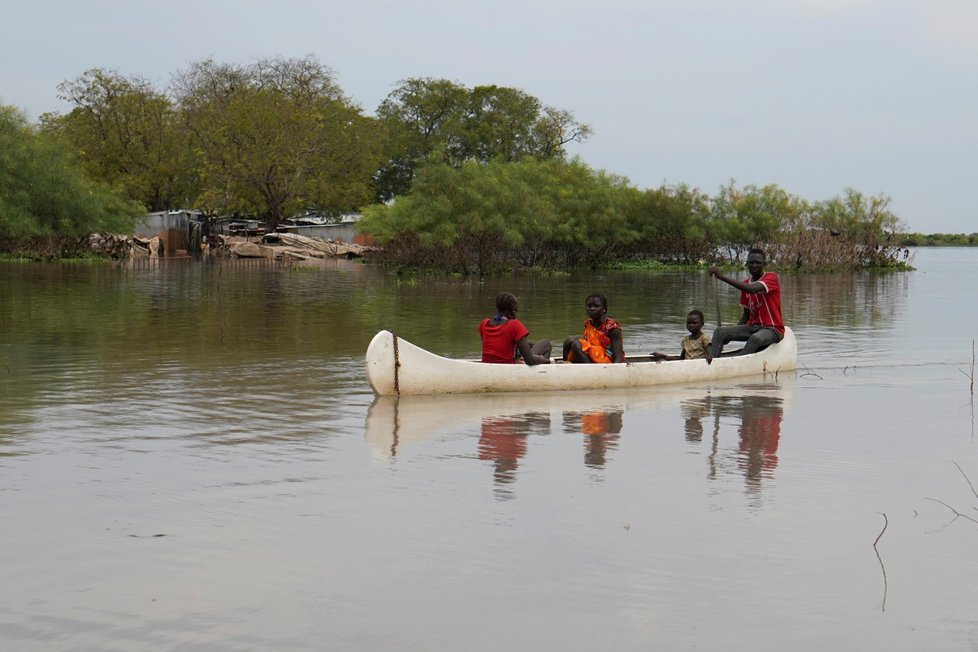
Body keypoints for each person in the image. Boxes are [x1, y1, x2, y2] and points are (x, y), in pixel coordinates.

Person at [707, 248, 784, 362]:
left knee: (755, 339)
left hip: (772, 329)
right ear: (747, 263)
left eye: (758, 262)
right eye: (751, 262)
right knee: (719, 332)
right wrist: (730, 334)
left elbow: (752, 289)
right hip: (752, 327)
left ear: (764, 264)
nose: (754, 265)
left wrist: (722, 277)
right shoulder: (745, 284)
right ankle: (712, 361)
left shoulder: (771, 278)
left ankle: (738, 362)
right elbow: (746, 316)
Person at [479, 292, 552, 365]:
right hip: (507, 366)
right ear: (513, 308)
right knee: (546, 344)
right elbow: (530, 361)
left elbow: (495, 346)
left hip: (486, 365)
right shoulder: (514, 324)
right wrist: (544, 360)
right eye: (516, 306)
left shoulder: (484, 323)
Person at [562, 293, 625, 363]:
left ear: (604, 308)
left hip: (606, 361)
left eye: (596, 306)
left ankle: (590, 370)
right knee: (569, 340)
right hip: (591, 357)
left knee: (576, 344)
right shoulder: (588, 324)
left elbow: (618, 357)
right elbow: (587, 346)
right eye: (589, 306)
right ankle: (565, 365)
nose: (592, 309)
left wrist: (615, 370)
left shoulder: (612, 328)